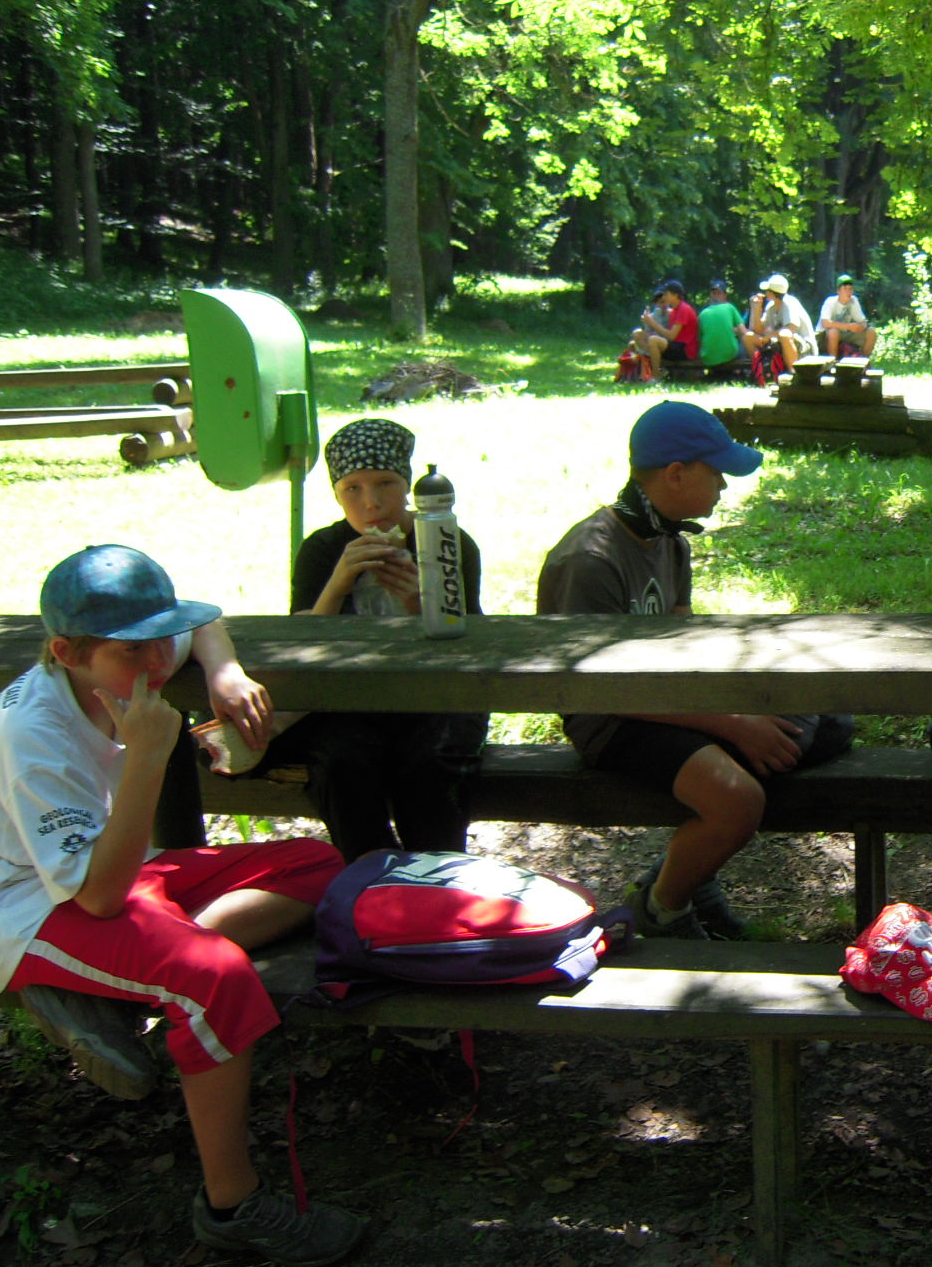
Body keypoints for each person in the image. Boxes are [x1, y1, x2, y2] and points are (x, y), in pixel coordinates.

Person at [0, 545, 363, 1267]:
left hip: (104, 869)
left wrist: (223, 669)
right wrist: (145, 757)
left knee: (316, 863)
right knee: (216, 977)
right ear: (66, 652)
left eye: (163, 637)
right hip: (20, 907)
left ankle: (117, 982)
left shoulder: (129, 656)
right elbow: (99, 896)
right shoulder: (33, 737)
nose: (159, 660)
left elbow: (200, 625)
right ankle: (231, 1206)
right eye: (134, 649)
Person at [536, 401, 853, 940]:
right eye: (717, 473)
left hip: (664, 697)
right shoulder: (591, 560)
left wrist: (748, 696)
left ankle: (694, 877)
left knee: (824, 726)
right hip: (612, 719)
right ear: (676, 474)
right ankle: (664, 908)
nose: (724, 487)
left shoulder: (670, 541)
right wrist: (733, 723)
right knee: (740, 798)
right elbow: (596, 690)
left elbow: (682, 644)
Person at [246, 418, 487, 862]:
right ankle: (370, 875)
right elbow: (301, 646)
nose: (371, 503)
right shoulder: (323, 549)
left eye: (385, 484)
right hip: (348, 698)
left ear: (408, 486)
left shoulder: (446, 541)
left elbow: (469, 646)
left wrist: (421, 605)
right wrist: (337, 585)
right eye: (352, 489)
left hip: (436, 696)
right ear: (337, 496)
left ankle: (435, 876)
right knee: (341, 762)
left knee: (432, 764)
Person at [742, 273, 813, 375]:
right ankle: (762, 370)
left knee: (785, 334)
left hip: (804, 347)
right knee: (748, 337)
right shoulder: (771, 306)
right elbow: (758, 330)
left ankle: (793, 373)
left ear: (773, 292)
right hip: (780, 343)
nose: (765, 292)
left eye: (768, 290)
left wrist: (769, 336)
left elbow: (792, 327)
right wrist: (755, 308)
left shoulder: (789, 302)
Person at [631, 279, 700, 381]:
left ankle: (655, 377)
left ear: (675, 295)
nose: (664, 297)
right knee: (637, 334)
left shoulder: (683, 309)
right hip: (676, 346)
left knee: (653, 340)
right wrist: (647, 323)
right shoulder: (674, 311)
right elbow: (666, 335)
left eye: (666, 294)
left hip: (685, 350)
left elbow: (672, 335)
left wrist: (652, 323)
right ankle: (656, 368)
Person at [816, 272, 877, 360]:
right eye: (845, 289)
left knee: (871, 332)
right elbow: (825, 323)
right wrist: (848, 326)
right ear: (838, 291)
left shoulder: (854, 301)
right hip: (825, 337)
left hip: (846, 334)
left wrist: (860, 327)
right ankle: (832, 362)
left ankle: (864, 361)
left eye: (850, 289)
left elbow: (863, 321)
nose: (848, 292)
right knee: (833, 332)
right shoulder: (830, 302)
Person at [697, 278, 748, 379]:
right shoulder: (730, 307)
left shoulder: (702, 313)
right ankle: (740, 373)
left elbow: (700, 338)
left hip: (708, 357)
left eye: (718, 293)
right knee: (744, 341)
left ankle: (712, 373)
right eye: (714, 293)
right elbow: (743, 332)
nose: (716, 295)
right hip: (729, 355)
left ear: (724, 295)